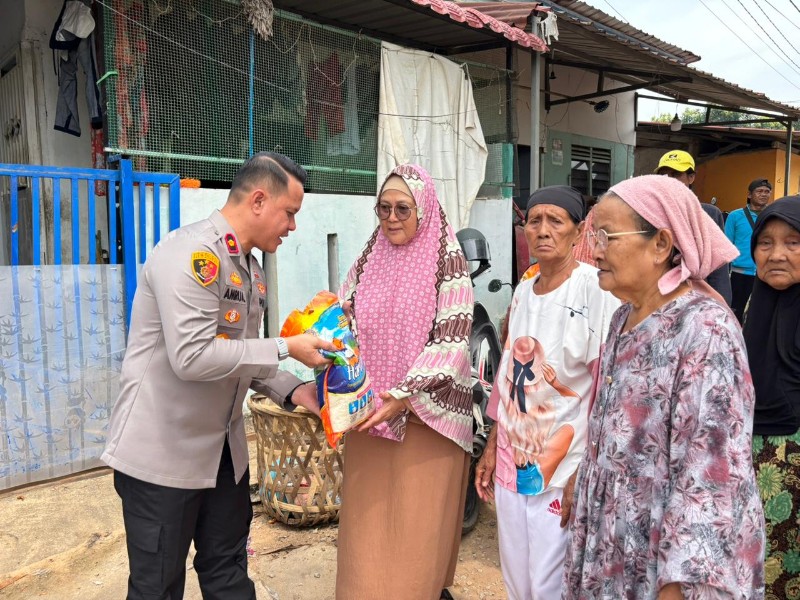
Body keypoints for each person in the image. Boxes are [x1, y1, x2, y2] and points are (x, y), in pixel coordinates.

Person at [102, 152, 337, 600]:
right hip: (163, 460)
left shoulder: (248, 267)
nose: (292, 227)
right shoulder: (191, 255)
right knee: (158, 588)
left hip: (222, 458)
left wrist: (296, 390)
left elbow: (240, 356)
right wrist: (288, 347)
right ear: (259, 201)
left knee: (228, 572)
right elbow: (192, 357)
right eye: (289, 213)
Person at [564, 175, 765, 598]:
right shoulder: (624, 317)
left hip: (665, 559)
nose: (594, 250)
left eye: (607, 236)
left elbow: (712, 476)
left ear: (661, 244)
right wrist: (584, 478)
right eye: (594, 235)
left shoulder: (704, 329)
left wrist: (678, 584)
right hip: (617, 539)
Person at [335, 164, 475, 600]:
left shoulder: (446, 262)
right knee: (366, 533)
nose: (391, 218)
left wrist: (403, 395)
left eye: (402, 208)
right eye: (384, 208)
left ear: (425, 209)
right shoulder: (368, 258)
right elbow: (344, 320)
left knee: (414, 537)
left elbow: (452, 337)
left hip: (426, 422)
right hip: (369, 418)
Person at [474, 186, 619, 599]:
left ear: (579, 232)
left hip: (562, 465)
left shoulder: (594, 288)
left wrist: (583, 469)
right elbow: (506, 376)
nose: (542, 230)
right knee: (517, 579)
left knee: (551, 583)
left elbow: (606, 386)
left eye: (555, 221)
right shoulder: (524, 289)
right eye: (534, 220)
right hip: (513, 459)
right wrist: (492, 445)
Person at [744, 196, 800, 598]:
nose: (776, 254)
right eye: (765, 242)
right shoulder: (749, 302)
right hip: (747, 458)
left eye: (793, 243)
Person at [655, 149, 732, 305]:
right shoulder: (651, 214)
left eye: (676, 174)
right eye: (664, 175)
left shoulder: (709, 214)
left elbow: (718, 266)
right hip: (660, 294)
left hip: (698, 297)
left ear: (691, 178)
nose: (669, 179)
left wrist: (722, 302)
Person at [726, 177, 773, 322]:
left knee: (762, 313)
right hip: (740, 274)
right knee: (735, 312)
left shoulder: (772, 215)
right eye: (759, 191)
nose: (764, 194)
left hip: (765, 271)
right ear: (749, 195)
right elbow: (727, 243)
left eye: (767, 191)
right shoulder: (735, 216)